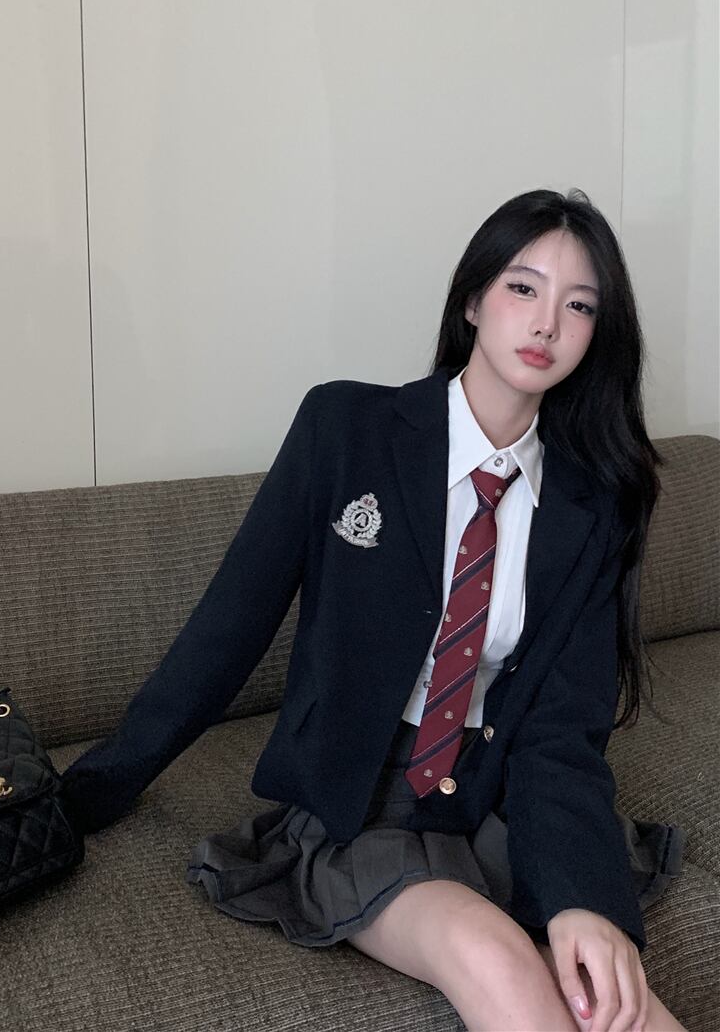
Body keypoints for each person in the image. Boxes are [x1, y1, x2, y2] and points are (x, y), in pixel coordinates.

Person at [61, 188, 687, 1032]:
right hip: (362, 806)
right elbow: (224, 635)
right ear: (473, 301)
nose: (547, 323)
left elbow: (562, 729)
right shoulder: (346, 429)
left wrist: (583, 898)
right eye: (522, 287)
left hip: (500, 799)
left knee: (611, 1001)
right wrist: (86, 795)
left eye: (580, 306)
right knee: (495, 958)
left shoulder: (592, 503)